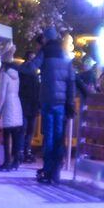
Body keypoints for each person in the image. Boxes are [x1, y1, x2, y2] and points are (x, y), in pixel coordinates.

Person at [37, 28, 75, 185]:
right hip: (61, 104)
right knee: (59, 138)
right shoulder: (65, 57)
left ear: (46, 38)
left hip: (47, 101)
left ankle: (47, 170)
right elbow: (72, 81)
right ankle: (56, 173)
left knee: (49, 137)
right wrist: (70, 103)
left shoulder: (44, 52)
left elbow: (32, 66)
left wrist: (14, 66)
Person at [0, 44, 23, 171]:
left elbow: (2, 93)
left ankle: (7, 161)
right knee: (16, 135)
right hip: (17, 104)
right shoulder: (16, 73)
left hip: (7, 104)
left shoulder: (4, 74)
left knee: (6, 136)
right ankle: (16, 161)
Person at [16, 44, 40, 163]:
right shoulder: (34, 75)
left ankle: (22, 151)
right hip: (30, 105)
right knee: (28, 130)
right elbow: (37, 91)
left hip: (25, 104)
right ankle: (26, 151)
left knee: (24, 129)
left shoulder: (21, 72)